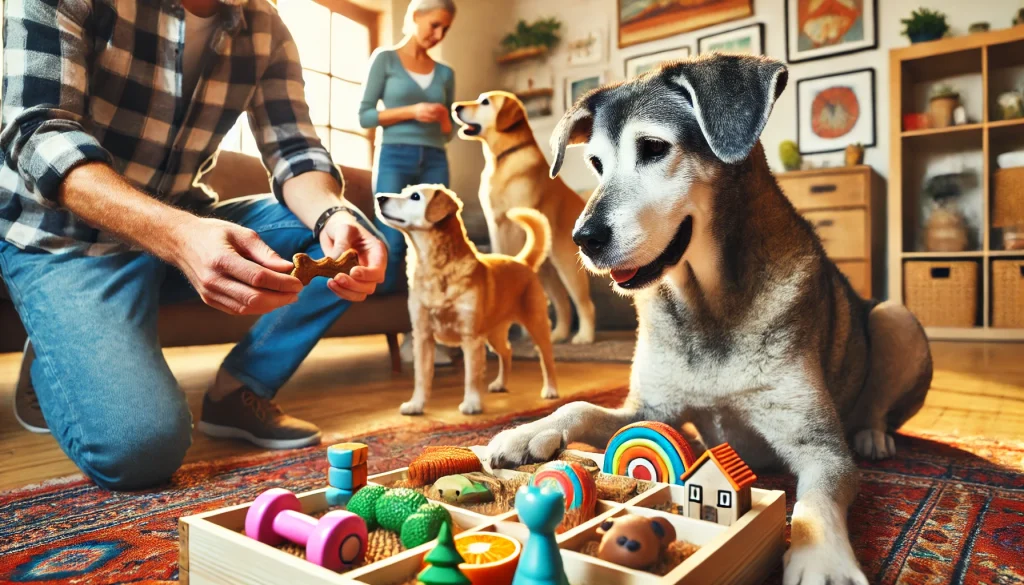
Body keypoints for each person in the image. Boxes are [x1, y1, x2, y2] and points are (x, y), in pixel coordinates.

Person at [0, 0, 388, 490]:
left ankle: (239, 390)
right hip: (61, 239)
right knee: (141, 449)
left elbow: (294, 150)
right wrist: (180, 236)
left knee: (367, 235)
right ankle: (56, 344)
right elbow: (39, 132)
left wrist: (333, 213)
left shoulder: (265, 26)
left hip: (183, 219)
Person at [359, 0, 457, 361]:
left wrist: (445, 122)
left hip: (434, 158)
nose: (438, 34)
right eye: (434, 25)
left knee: (438, 242)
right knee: (395, 244)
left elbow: (448, 136)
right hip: (394, 156)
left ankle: (433, 337)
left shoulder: (445, 74)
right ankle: (404, 332)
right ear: (414, 17)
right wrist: (413, 111)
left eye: (445, 29)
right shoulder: (384, 59)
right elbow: (366, 116)